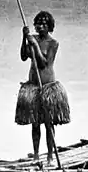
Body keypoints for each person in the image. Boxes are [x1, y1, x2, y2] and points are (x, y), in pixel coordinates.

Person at [15, 10, 70, 162]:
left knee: (48, 122)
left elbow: (43, 63)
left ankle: (51, 155)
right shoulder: (32, 39)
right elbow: (23, 57)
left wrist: (35, 46)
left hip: (48, 85)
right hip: (33, 85)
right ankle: (37, 154)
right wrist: (24, 38)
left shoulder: (53, 43)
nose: (40, 27)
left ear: (49, 26)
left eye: (44, 24)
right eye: (38, 24)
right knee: (35, 123)